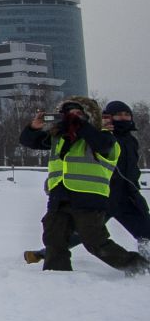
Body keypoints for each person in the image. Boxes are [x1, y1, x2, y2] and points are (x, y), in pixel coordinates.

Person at [18, 97, 141, 274]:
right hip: (59, 196)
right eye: (69, 114)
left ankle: (137, 267)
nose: (72, 118)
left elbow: (102, 145)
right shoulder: (58, 137)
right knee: (54, 239)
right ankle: (56, 274)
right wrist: (33, 128)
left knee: (95, 241)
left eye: (78, 114)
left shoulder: (104, 136)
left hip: (88, 198)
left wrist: (82, 126)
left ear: (88, 116)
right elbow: (29, 141)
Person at [100, 101, 150, 255]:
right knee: (87, 232)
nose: (123, 118)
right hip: (104, 195)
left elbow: (132, 169)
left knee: (146, 231)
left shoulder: (131, 140)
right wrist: (101, 130)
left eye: (126, 114)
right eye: (118, 115)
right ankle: (45, 252)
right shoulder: (103, 137)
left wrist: (135, 190)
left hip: (128, 196)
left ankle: (146, 261)